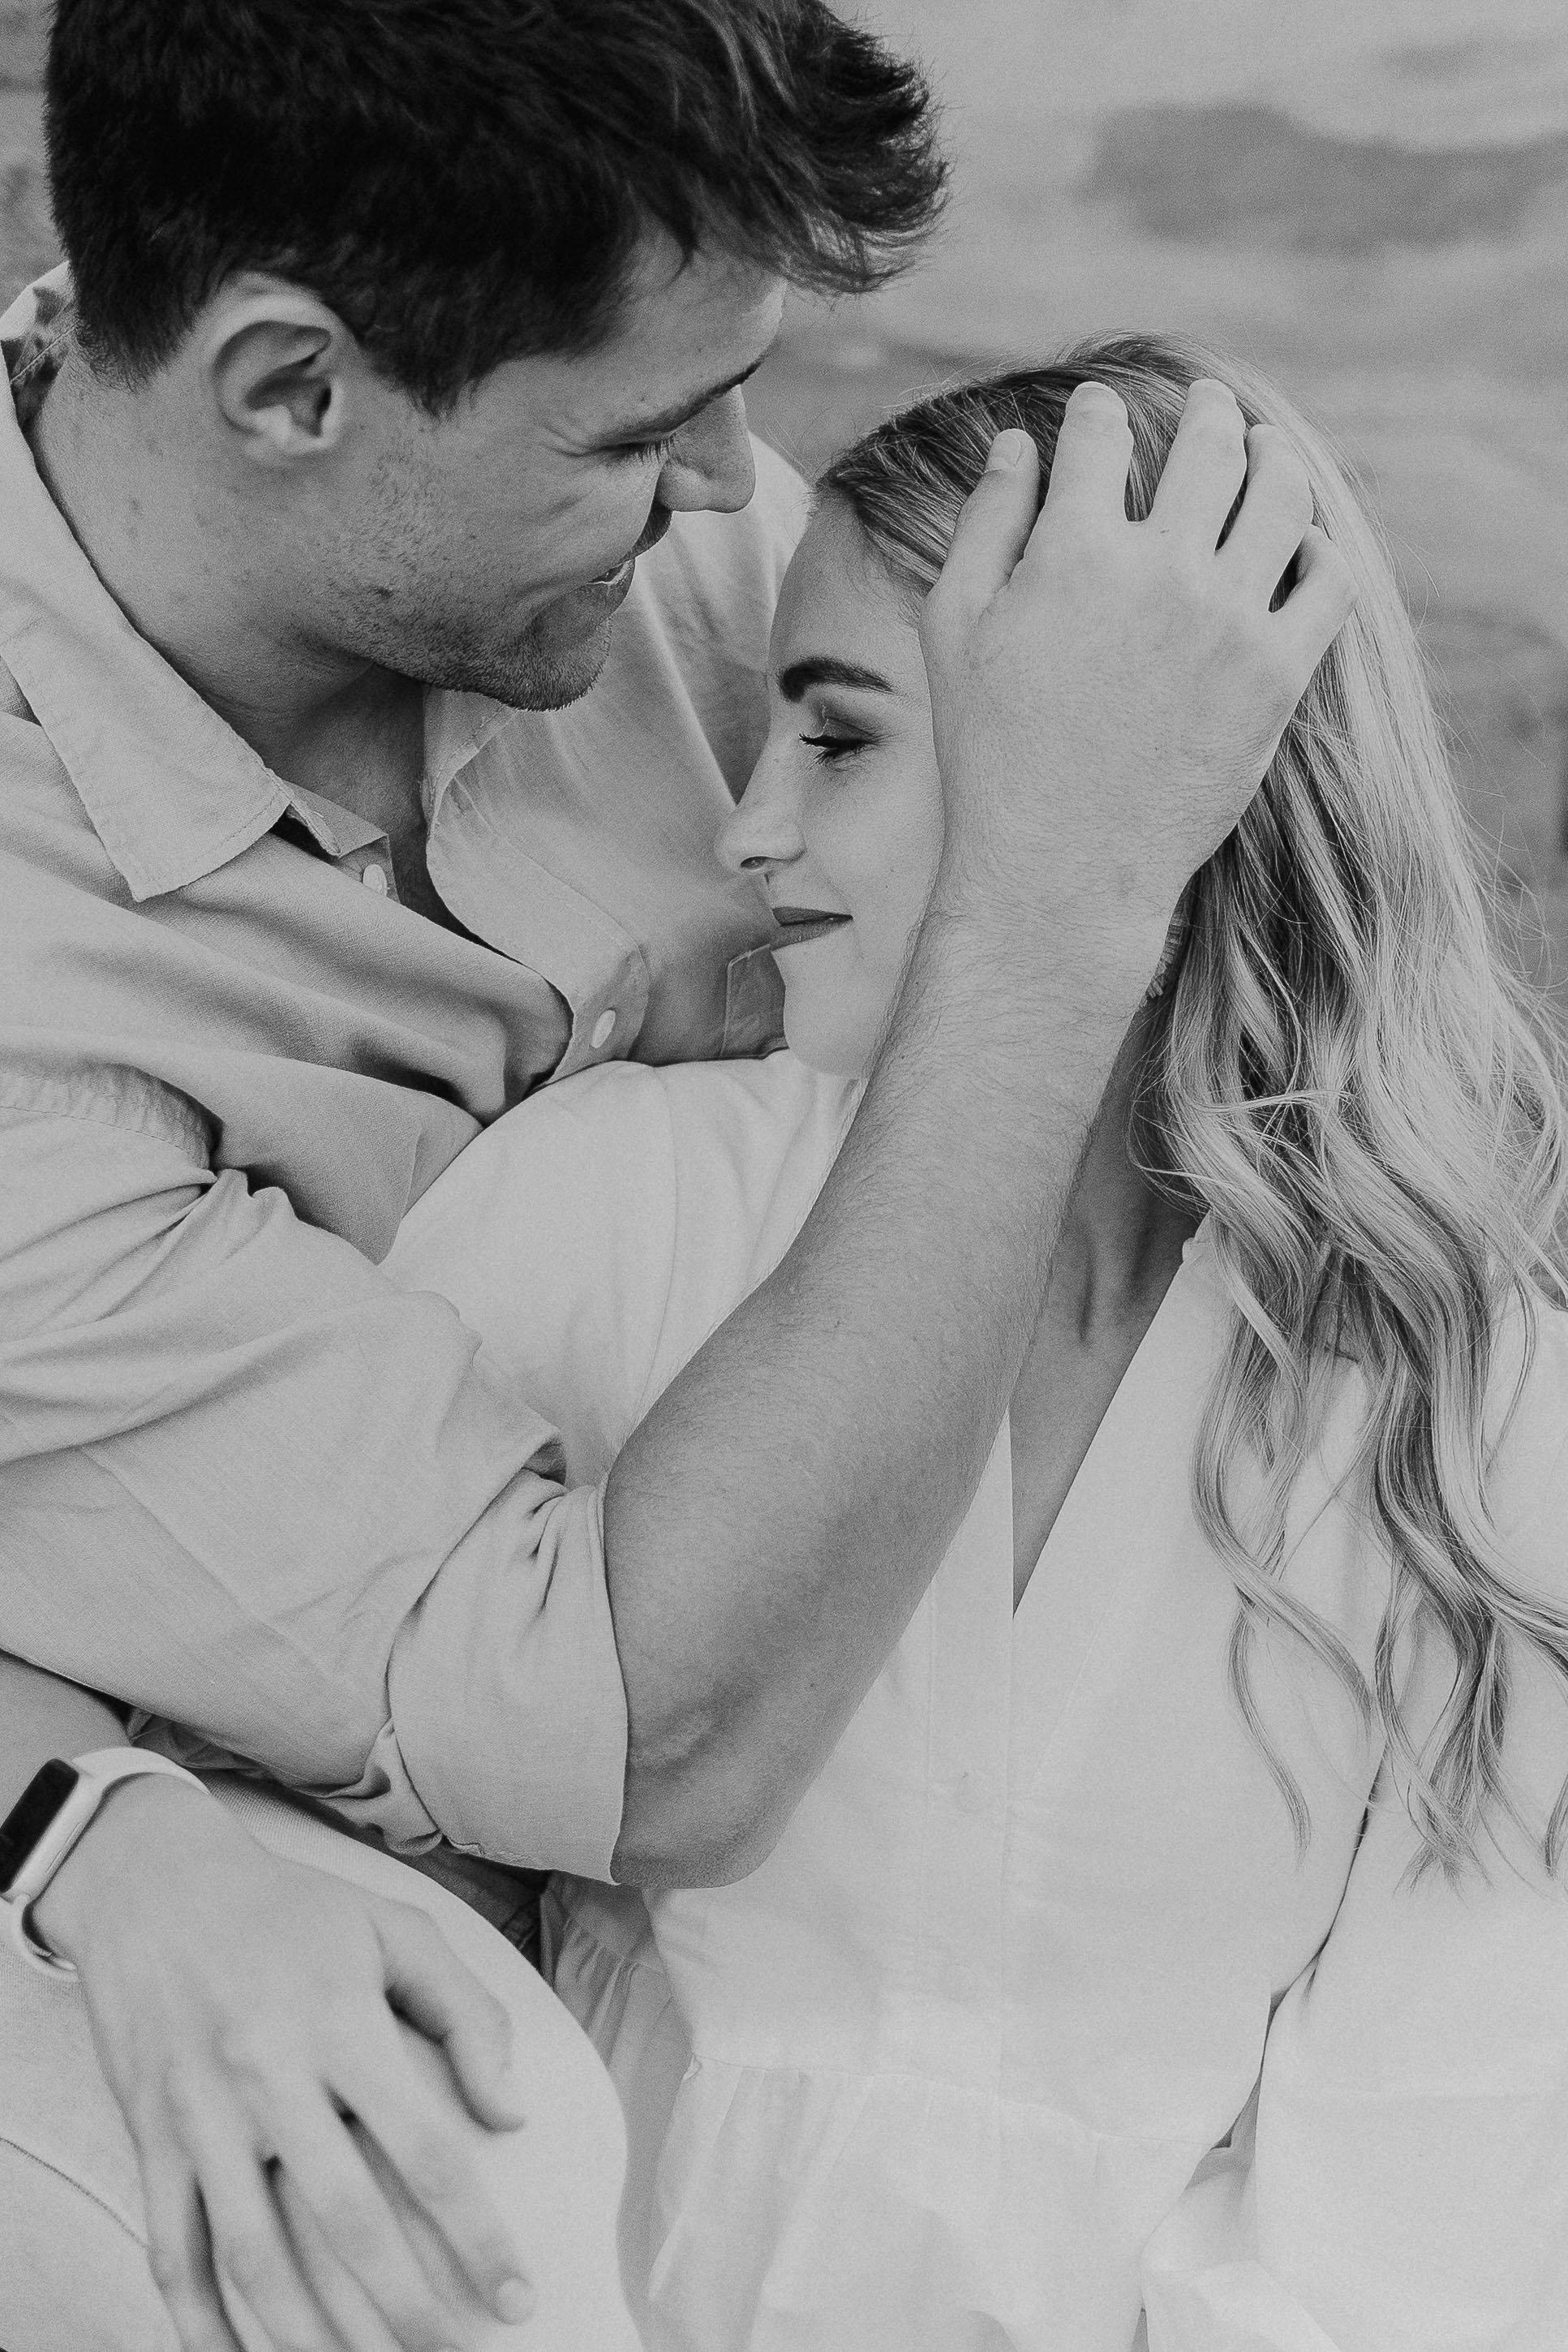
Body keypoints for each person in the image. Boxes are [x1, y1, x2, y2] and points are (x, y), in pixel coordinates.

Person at [0, 2, 1351, 2347]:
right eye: (639, 432)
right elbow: (639, 1738)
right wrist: (76, 1835)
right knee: (422, 2164)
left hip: (742, 1709)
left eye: (738, 391)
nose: (737, 490)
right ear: (289, 390)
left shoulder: (608, 566)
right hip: (228, 1780)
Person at [338, 336, 1568, 2344]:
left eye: (837, 740)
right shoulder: (607, 1208)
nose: (745, 831)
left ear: (1136, 760)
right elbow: (343, 1850)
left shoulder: (1475, 1407)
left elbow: (1421, 2202)